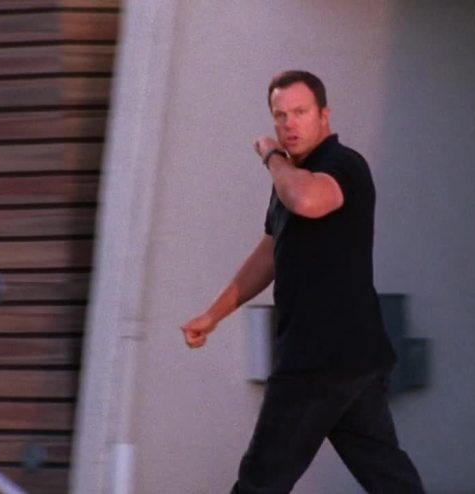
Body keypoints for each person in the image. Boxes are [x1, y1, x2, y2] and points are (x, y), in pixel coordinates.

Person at [180, 70, 425, 493]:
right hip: (349, 360)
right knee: (390, 481)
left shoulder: (342, 165)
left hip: (318, 357)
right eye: (280, 115)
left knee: (260, 482)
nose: (289, 124)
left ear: (324, 115)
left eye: (300, 112)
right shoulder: (291, 178)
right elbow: (270, 254)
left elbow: (307, 200)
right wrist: (213, 314)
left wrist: (272, 156)